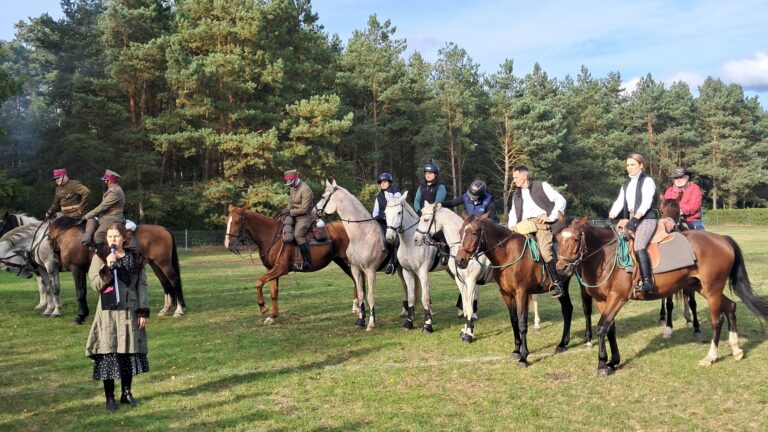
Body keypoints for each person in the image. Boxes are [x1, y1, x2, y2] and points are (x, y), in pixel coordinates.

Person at [86, 223, 149, 412]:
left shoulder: (136, 259)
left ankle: (126, 393)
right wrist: (107, 266)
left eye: (116, 236)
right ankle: (109, 397)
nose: (112, 240)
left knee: (127, 353)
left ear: (124, 238)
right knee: (109, 352)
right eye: (110, 236)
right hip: (108, 313)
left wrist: (143, 311)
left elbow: (142, 286)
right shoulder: (100, 257)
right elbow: (95, 285)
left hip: (130, 311)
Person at [507, 165, 567, 298]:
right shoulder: (516, 195)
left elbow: (561, 200)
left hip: (540, 224)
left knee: (545, 252)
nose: (514, 181)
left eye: (516, 177)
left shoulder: (541, 186)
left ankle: (557, 284)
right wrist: (511, 227)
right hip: (522, 226)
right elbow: (512, 213)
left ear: (525, 176)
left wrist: (550, 217)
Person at [609, 153, 658, 294]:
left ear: (641, 165)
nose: (629, 168)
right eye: (628, 165)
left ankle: (648, 282)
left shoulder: (647, 181)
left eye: (632, 165)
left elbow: (646, 202)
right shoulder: (626, 184)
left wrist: (635, 219)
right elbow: (619, 201)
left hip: (646, 218)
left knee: (639, 245)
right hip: (631, 218)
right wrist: (611, 215)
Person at [82, 170, 125, 252]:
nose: (105, 182)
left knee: (98, 235)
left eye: (106, 180)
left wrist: (87, 216)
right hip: (106, 216)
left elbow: (102, 207)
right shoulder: (112, 190)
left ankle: (101, 257)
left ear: (111, 181)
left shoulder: (115, 191)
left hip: (113, 217)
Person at [371, 172, 402, 275]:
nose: (383, 184)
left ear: (389, 182)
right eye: (381, 182)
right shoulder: (378, 196)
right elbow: (375, 213)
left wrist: (387, 217)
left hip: (394, 223)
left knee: (393, 240)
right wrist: (381, 217)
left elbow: (397, 206)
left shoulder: (396, 192)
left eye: (385, 181)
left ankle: (392, 264)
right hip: (382, 222)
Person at [283, 169, 314, 271]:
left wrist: (290, 212)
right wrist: (287, 210)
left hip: (305, 216)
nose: (290, 185)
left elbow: (305, 209)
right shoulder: (292, 187)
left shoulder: (305, 189)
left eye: (291, 183)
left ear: (296, 179)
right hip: (294, 214)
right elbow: (291, 201)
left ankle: (306, 261)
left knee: (298, 235)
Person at [663, 166, 704, 230]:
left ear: (687, 177)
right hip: (672, 219)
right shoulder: (669, 190)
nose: (679, 180)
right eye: (676, 178)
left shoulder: (695, 188)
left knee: (701, 236)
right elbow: (666, 206)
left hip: (692, 220)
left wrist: (680, 211)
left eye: (681, 177)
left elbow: (695, 205)